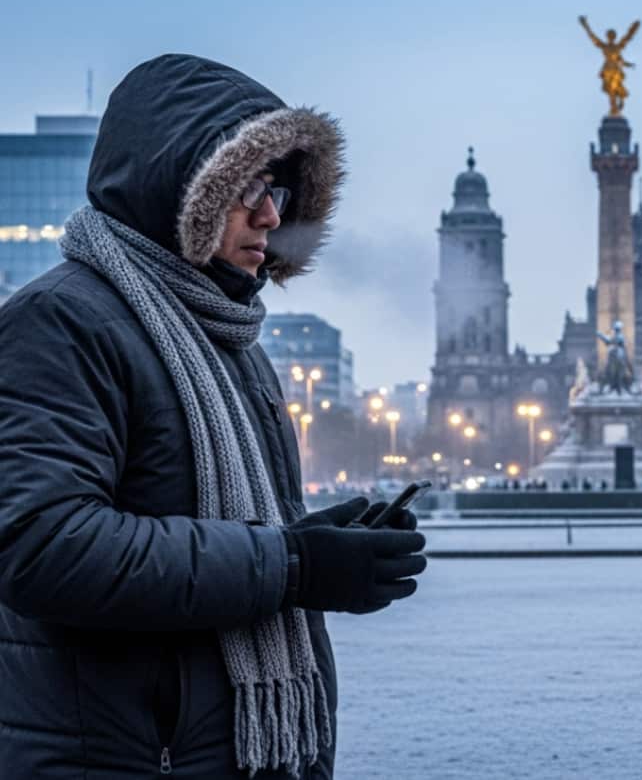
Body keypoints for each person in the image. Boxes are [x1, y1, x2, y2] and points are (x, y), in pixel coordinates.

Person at [0, 54, 428, 779]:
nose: (272, 215)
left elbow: (211, 521)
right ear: (178, 190)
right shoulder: (59, 322)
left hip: (227, 752)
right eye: (248, 189)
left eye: (282, 192)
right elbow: (43, 546)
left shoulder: (228, 337)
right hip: (119, 758)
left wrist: (315, 540)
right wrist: (294, 565)